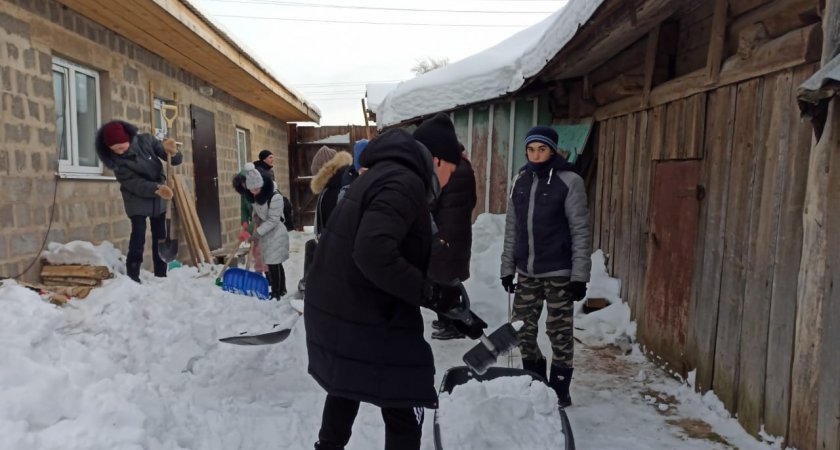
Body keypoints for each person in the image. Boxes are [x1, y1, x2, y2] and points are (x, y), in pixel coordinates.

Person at [304, 125, 486, 450]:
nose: (447, 183)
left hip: (345, 305)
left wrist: (450, 306)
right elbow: (374, 252)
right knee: (407, 386)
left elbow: (399, 253)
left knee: (348, 379)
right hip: (361, 308)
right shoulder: (404, 183)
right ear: (436, 160)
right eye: (450, 172)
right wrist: (431, 294)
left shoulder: (387, 175)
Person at [500, 125, 592, 408]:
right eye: (531, 149)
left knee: (559, 332)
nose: (536, 155)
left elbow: (580, 230)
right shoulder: (521, 180)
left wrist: (579, 276)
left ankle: (560, 389)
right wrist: (507, 268)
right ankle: (536, 381)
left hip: (559, 273)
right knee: (521, 330)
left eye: (542, 149)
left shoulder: (570, 181)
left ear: (552, 150)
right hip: (527, 272)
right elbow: (512, 227)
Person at [95, 120, 182, 283]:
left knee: (160, 235)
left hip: (159, 197)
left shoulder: (146, 140)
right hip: (137, 198)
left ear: (128, 138)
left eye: (122, 146)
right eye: (116, 149)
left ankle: (161, 273)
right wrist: (157, 188)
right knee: (138, 236)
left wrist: (173, 152)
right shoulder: (116, 163)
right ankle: (133, 275)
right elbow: (134, 184)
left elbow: (171, 158)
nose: (120, 151)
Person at [423, 140, 477, 340]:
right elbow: (472, 201)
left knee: (443, 278)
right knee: (448, 277)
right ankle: (449, 320)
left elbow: (433, 199)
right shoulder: (466, 168)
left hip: (445, 232)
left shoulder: (449, 170)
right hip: (458, 231)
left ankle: (452, 324)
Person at [232, 163, 290, 300]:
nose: (254, 192)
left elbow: (273, 220)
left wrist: (257, 232)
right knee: (272, 262)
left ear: (262, 185)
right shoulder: (254, 196)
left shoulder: (275, 197)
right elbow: (255, 213)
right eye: (251, 190)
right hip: (266, 232)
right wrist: (252, 224)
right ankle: (280, 290)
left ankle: (277, 292)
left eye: (256, 189)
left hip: (276, 232)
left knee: (274, 262)